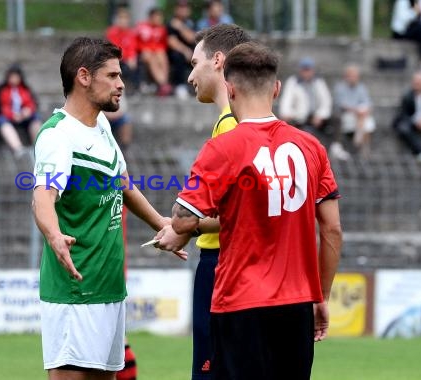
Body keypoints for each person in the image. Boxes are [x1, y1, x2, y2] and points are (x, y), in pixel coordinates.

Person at [168, 41, 342, 379]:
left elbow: (183, 218)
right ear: (276, 89)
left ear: (229, 89)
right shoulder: (312, 148)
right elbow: (332, 229)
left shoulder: (221, 148)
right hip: (297, 304)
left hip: (240, 301)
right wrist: (321, 295)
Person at [31, 37, 186, 380]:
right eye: (113, 76)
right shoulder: (58, 136)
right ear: (83, 76)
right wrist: (55, 236)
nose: (121, 84)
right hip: (76, 290)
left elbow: (123, 183)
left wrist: (159, 222)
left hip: (108, 287)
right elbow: (42, 196)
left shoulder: (100, 126)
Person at [156, 23, 251, 380]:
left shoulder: (229, 128)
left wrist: (187, 227)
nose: (190, 75)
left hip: (221, 265)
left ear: (218, 60)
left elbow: (238, 216)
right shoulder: (246, 124)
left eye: (195, 64)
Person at [0, 64, 42, 158]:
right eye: (12, 77)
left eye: (16, 77)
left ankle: (38, 147)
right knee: (2, 122)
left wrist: (27, 111)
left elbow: (32, 103)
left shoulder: (25, 89)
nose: (14, 79)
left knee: (36, 118)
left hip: (23, 117)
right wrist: (12, 115)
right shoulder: (0, 90)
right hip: (7, 117)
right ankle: (18, 148)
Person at [333, 64, 376, 157]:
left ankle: (363, 148)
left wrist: (363, 111)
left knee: (367, 121)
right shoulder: (340, 87)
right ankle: (359, 146)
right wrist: (357, 111)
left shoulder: (361, 88)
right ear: (346, 76)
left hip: (359, 116)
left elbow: (368, 103)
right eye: (351, 76)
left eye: (355, 76)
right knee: (364, 121)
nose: (353, 78)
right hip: (345, 115)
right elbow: (341, 105)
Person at [393, 71, 421, 158]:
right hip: (412, 122)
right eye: (416, 83)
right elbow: (403, 113)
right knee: (403, 128)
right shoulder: (407, 96)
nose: (418, 85)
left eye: (420, 83)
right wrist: (416, 121)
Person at [391, 0, 421, 75]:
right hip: (401, 32)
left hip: (413, 29)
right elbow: (403, 18)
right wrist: (415, 11)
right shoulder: (403, 2)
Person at [135, 8, 173, 96]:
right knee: (151, 57)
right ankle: (163, 84)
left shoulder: (162, 29)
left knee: (161, 55)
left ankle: (164, 83)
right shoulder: (141, 27)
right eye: (158, 17)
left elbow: (163, 44)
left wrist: (157, 51)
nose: (160, 19)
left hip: (156, 51)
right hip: (143, 52)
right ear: (151, 17)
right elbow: (135, 41)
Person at [106, 6, 141, 94]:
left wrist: (132, 57)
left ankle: (137, 87)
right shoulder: (112, 32)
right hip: (116, 59)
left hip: (128, 59)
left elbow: (132, 48)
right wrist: (127, 57)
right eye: (121, 18)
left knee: (139, 63)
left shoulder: (131, 33)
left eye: (125, 18)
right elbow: (113, 49)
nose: (123, 21)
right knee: (124, 66)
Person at [166, 0, 196, 99]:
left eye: (185, 8)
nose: (183, 10)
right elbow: (172, 42)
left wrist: (180, 27)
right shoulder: (171, 23)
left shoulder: (190, 23)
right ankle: (180, 86)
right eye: (180, 8)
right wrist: (185, 50)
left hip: (191, 52)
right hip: (176, 53)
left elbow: (192, 38)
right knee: (178, 56)